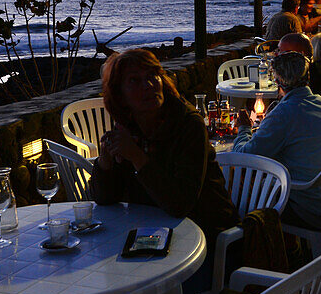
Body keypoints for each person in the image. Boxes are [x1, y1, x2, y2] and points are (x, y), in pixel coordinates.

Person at [90, 49, 237, 251]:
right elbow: (105, 200)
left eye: (153, 76)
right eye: (135, 80)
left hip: (204, 235)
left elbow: (180, 205)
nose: (148, 85)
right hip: (151, 230)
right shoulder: (128, 125)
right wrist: (105, 164)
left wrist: (136, 157)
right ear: (120, 94)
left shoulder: (188, 124)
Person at [232, 51, 321, 228]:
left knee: (245, 186)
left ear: (277, 82)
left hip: (315, 208)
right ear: (308, 78)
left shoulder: (284, 114)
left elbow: (244, 157)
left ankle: (249, 241)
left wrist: (244, 128)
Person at [278, 32, 321, 122]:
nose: (278, 56)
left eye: (283, 53)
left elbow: (302, 114)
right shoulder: (312, 71)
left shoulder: (316, 78)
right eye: (278, 51)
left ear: (300, 55)